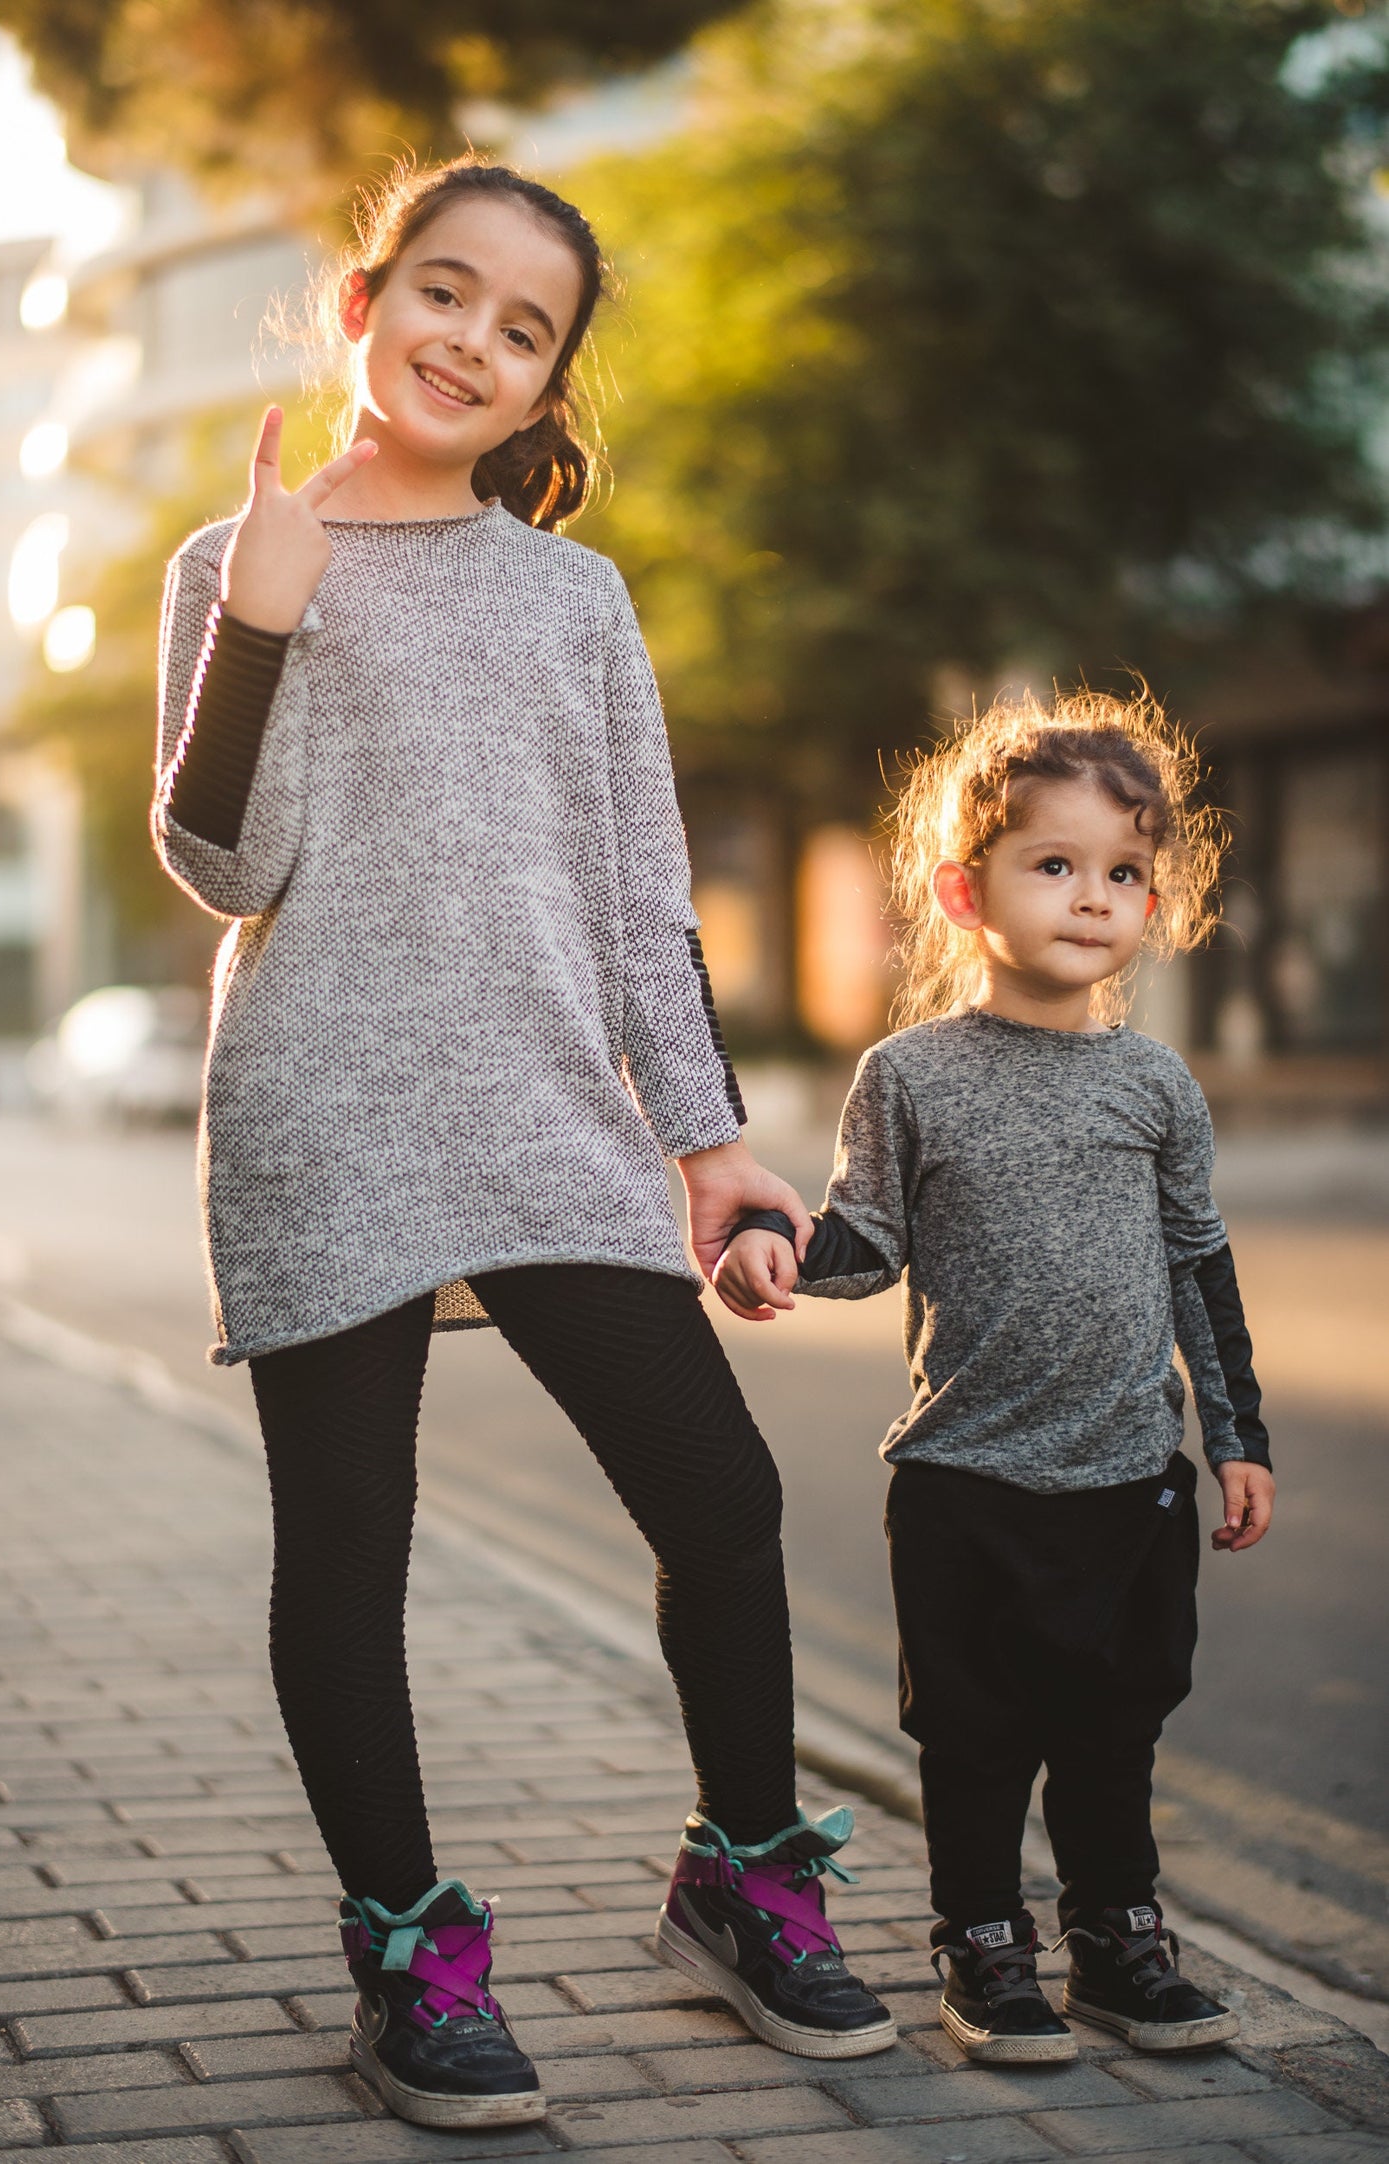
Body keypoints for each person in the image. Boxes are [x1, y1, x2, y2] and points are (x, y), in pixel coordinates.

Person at [151, 157, 897, 2132]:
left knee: (721, 1497)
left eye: (524, 326)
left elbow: (646, 894)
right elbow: (230, 863)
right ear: (362, 303)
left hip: (556, 1108)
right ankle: (407, 1951)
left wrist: (711, 1142)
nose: (471, 341)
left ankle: (744, 1879)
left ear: (551, 378)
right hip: (323, 1111)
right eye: (445, 294)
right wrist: (264, 621)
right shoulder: (235, 558)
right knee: (351, 1544)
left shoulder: (577, 598)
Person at [717, 690, 1274, 2066]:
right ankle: (981, 1950)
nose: (1093, 897)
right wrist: (778, 1251)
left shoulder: (1155, 1088)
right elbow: (870, 1242)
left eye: (1123, 872)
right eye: (1056, 864)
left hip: (1126, 1482)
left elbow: (1197, 1268)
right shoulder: (909, 1076)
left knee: (1111, 1733)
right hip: (964, 1480)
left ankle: (1114, 1941)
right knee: (973, 1744)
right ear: (966, 891)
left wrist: (1236, 1432)